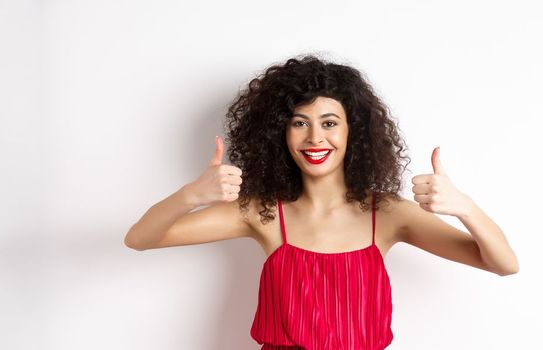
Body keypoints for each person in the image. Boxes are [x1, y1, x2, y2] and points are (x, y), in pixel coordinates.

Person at [124, 54, 519, 349]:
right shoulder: (261, 214)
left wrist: (464, 206)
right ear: (281, 134)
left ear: (353, 132)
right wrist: (190, 195)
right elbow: (141, 238)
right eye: (300, 123)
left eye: (329, 123)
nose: (315, 138)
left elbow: (503, 264)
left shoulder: (389, 214)